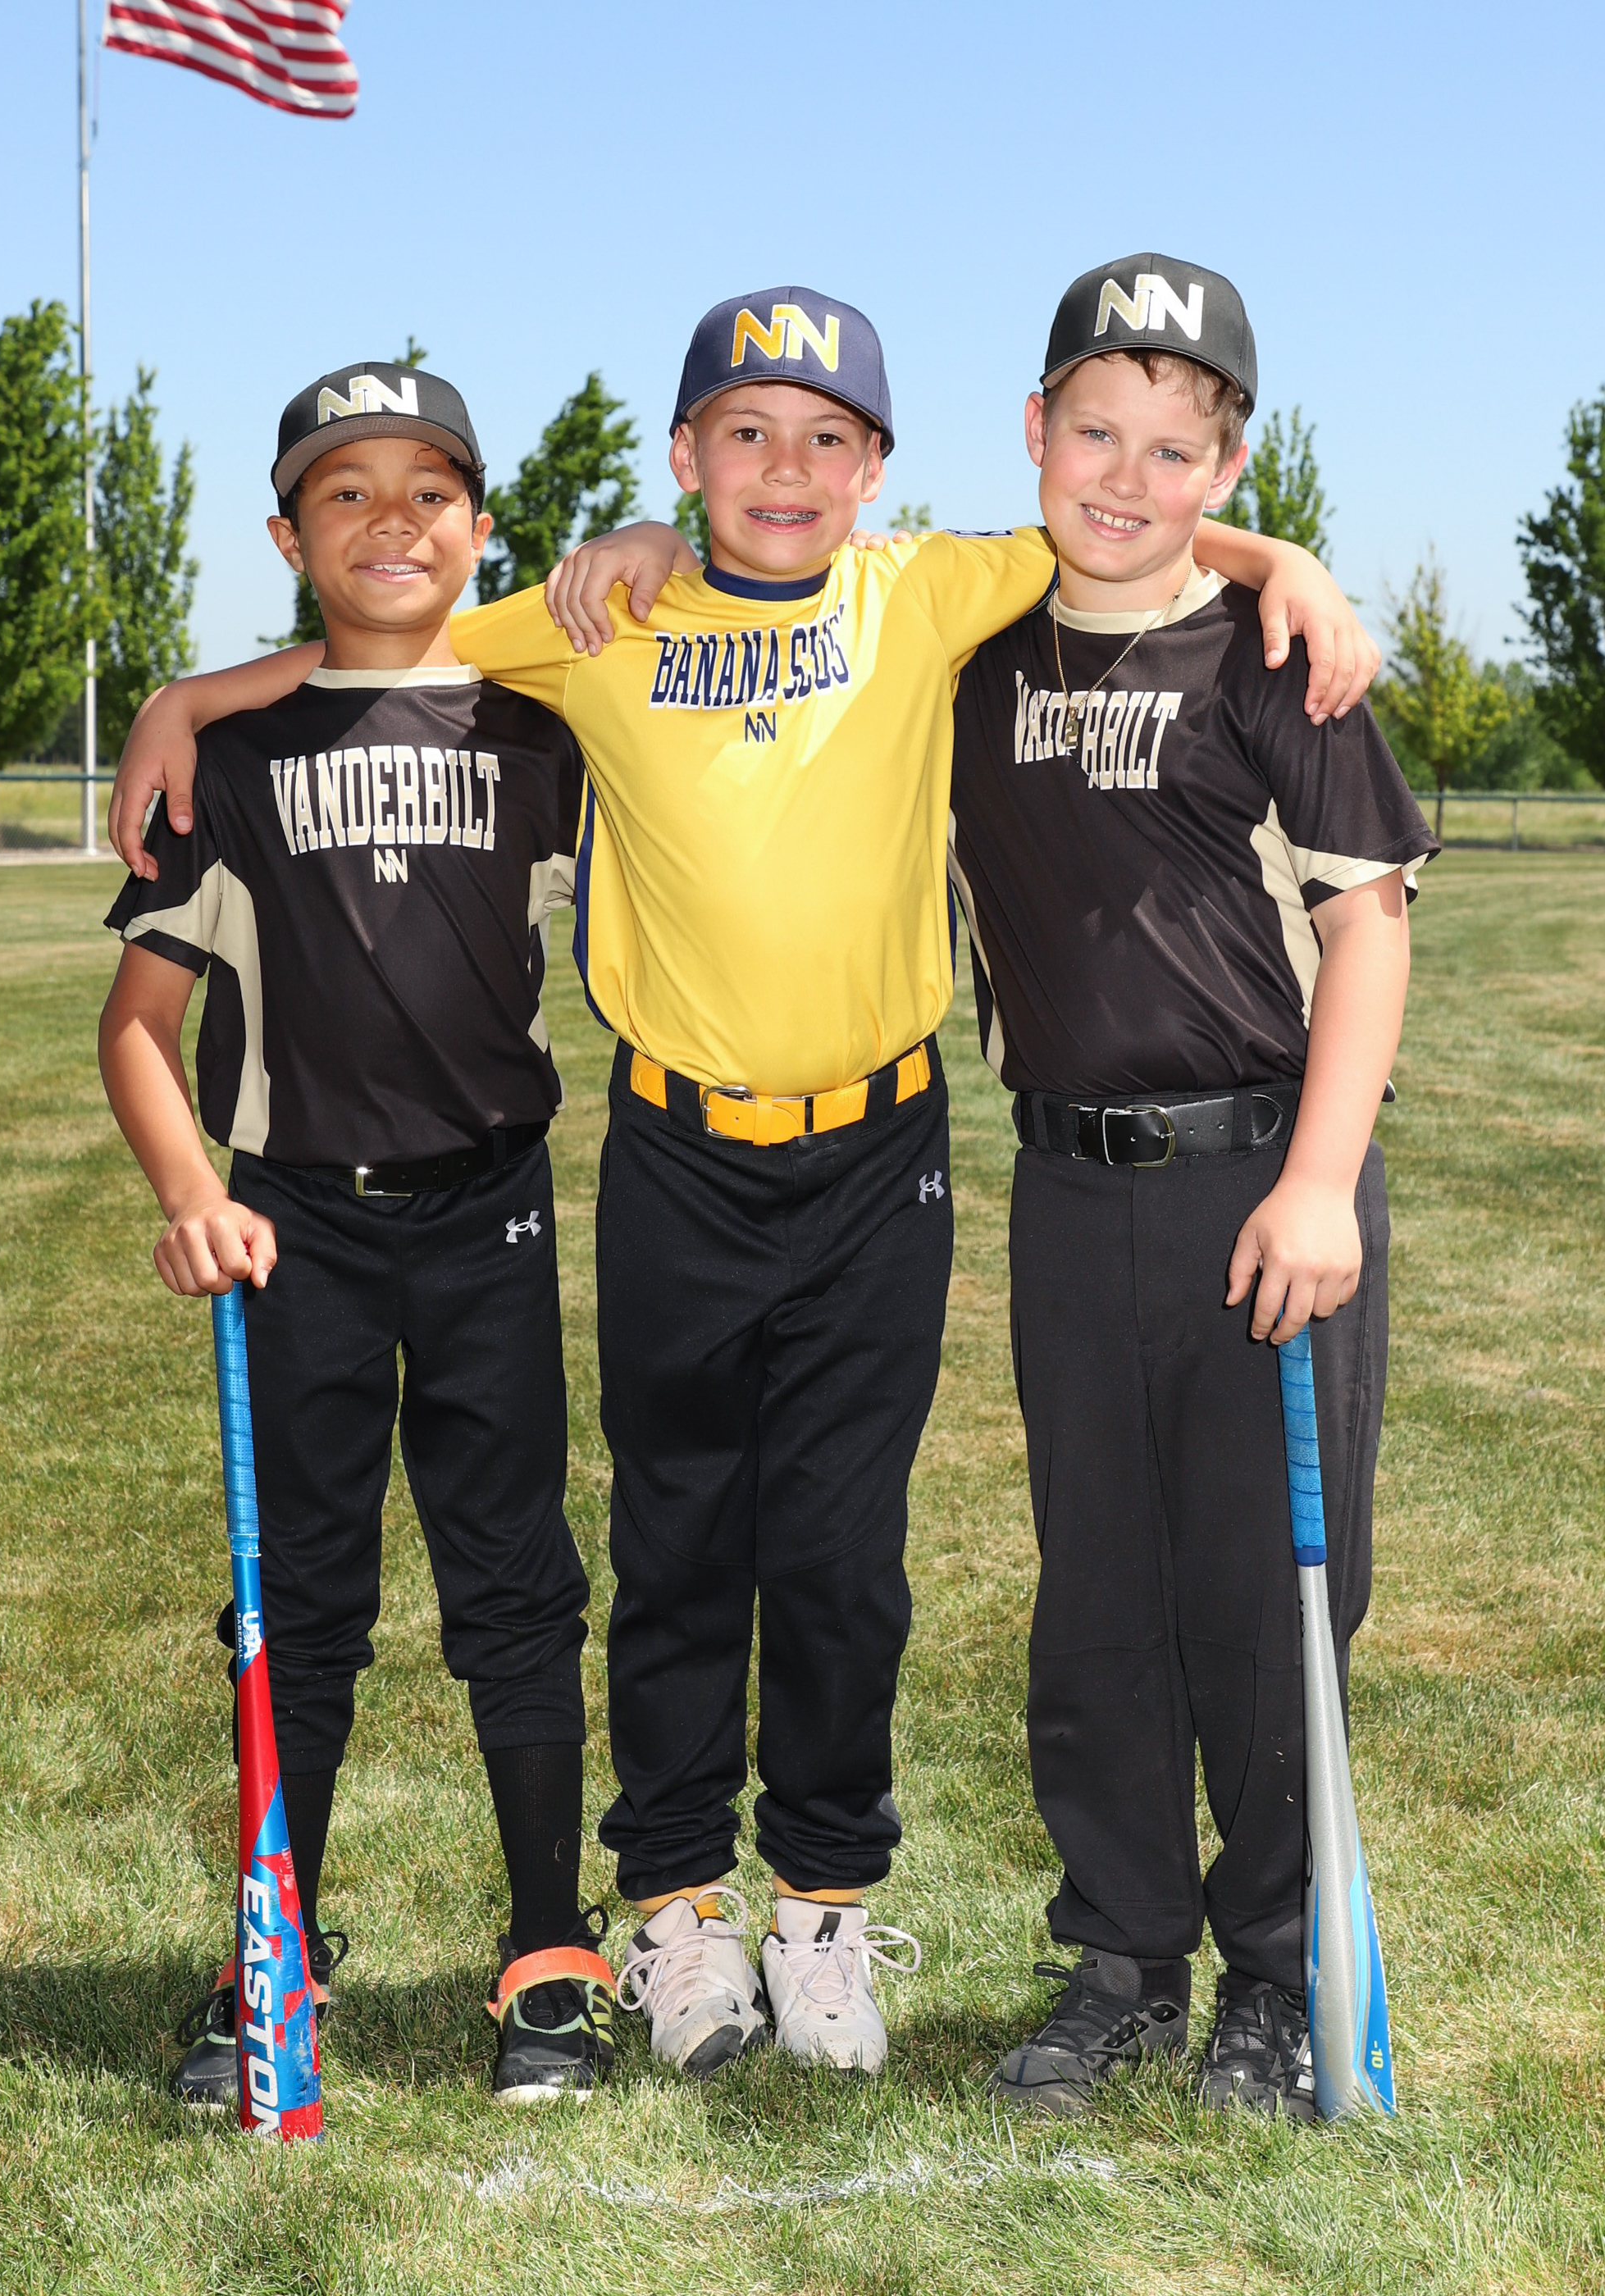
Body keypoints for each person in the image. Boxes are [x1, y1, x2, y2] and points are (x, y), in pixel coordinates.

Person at [108, 288, 1373, 2082]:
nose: (787, 468)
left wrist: (1283, 557)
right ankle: (679, 1907)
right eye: (747, 434)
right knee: (679, 1540)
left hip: (879, 1147)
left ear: (877, 466)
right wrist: (186, 695)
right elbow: (388, 635)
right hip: (678, 1153)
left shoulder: (925, 592)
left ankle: (824, 1910)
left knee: (845, 1556)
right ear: (684, 455)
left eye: (827, 437)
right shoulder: (598, 619)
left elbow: (1133, 526)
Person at [940, 256, 1438, 2119]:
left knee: (1265, 1593)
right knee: (1098, 1590)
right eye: (1094, 433)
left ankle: (1278, 1969)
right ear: (1033, 430)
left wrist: (1318, 1183)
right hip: (1071, 1188)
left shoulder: (1275, 653)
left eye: (1175, 451)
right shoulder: (972, 649)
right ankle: (1122, 1955)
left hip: (1265, 1175)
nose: (1126, 479)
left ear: (1227, 465)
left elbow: (1367, 928)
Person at [98, 362, 616, 2108]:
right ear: (286, 534)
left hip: (492, 1211)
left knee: (516, 1586)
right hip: (294, 1227)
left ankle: (548, 1952)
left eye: (427, 492)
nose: (391, 523)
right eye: (345, 493)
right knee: (298, 1600)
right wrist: (195, 1195)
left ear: (481, 525)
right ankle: (275, 1950)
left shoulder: (544, 739)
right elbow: (136, 1026)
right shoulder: (231, 760)